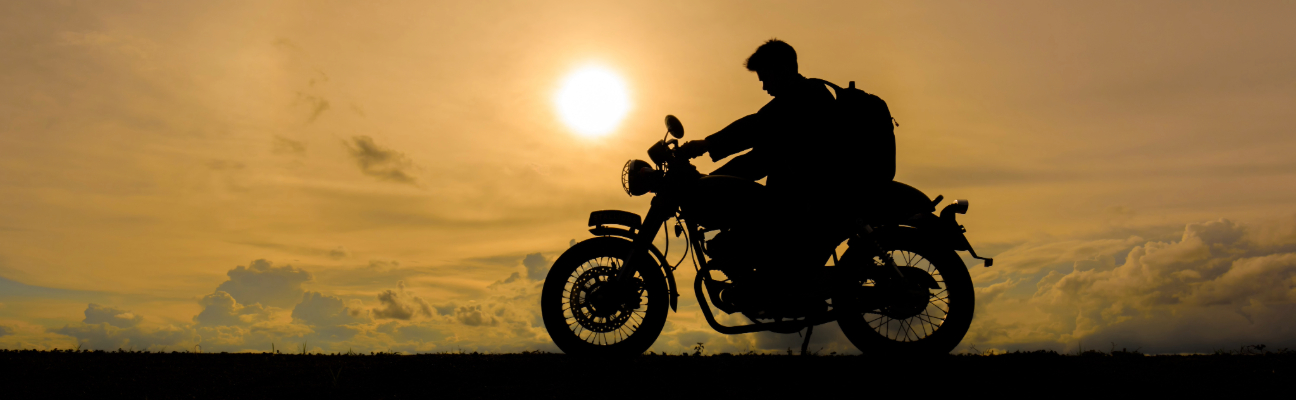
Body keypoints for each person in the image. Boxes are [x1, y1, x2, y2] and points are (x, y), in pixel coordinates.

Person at [677, 39, 862, 312]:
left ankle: (783, 294)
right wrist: (709, 181)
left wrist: (707, 146)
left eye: (765, 78)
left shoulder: (805, 96)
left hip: (813, 201)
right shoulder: (791, 106)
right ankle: (773, 290)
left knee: (733, 242)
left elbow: (757, 127)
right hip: (798, 199)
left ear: (783, 69)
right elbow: (758, 159)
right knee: (729, 241)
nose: (764, 87)